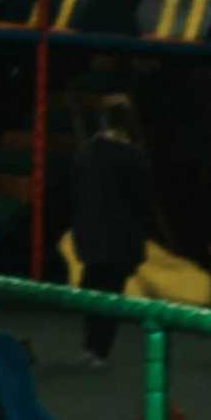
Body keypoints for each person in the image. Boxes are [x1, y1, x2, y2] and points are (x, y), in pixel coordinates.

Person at [69, 93, 154, 368]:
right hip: (122, 237)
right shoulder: (135, 156)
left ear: (103, 118)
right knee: (111, 293)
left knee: (91, 289)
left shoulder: (88, 151)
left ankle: (89, 346)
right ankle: (100, 350)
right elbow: (144, 199)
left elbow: (75, 190)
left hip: (93, 235)